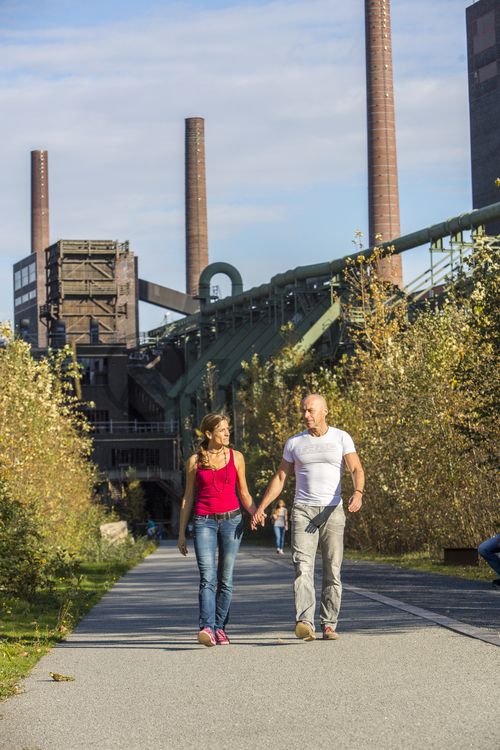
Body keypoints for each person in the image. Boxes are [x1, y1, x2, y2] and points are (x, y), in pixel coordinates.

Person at [252, 393, 364, 641]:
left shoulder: (341, 438)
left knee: (332, 570)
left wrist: (358, 492)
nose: (306, 415)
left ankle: (329, 623)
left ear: (325, 411)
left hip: (332, 511)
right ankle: (305, 622)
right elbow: (281, 477)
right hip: (303, 510)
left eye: (311, 410)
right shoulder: (294, 443)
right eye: (303, 410)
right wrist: (261, 506)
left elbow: (355, 468)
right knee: (302, 567)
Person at [178, 413, 256, 646]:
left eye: (227, 429)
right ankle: (207, 628)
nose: (227, 433)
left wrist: (256, 512)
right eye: (222, 430)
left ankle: (220, 627)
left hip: (232, 522)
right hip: (204, 522)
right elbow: (187, 498)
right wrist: (181, 532)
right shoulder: (194, 461)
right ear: (209, 434)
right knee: (207, 577)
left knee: (226, 579)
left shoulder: (237, 457)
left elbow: (244, 493)